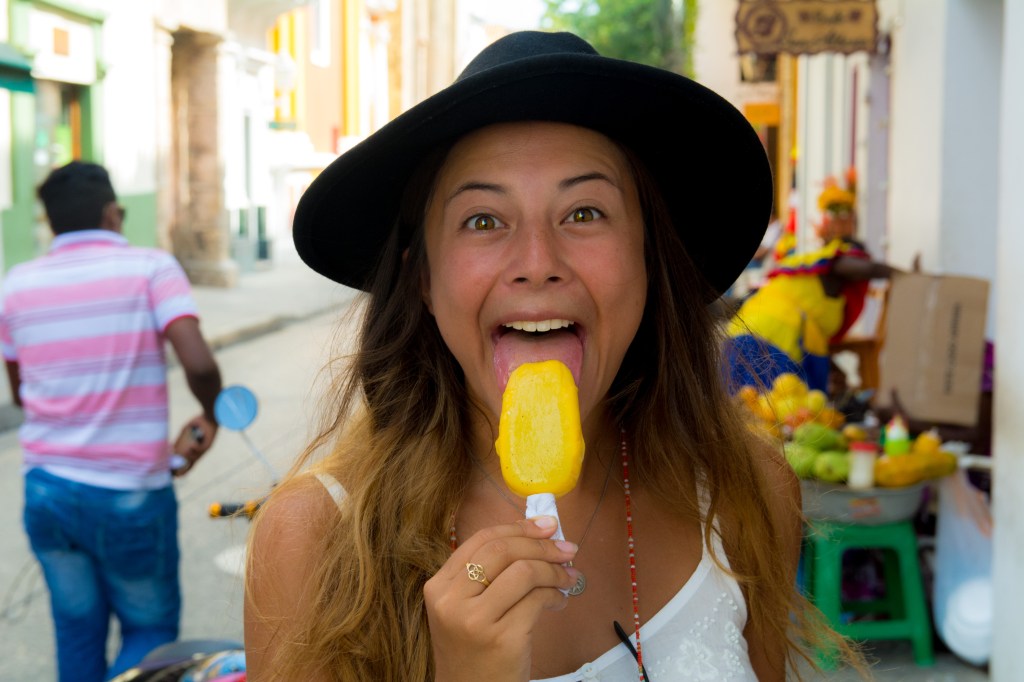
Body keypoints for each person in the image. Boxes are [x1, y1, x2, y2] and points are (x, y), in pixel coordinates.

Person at [244, 31, 862, 681]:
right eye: (483, 220)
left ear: (648, 262)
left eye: (585, 211)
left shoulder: (750, 491)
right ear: (422, 279)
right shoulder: (310, 537)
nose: (537, 264)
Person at [0, 161, 222, 682]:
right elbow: (200, 364)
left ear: (52, 224)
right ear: (112, 213)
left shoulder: (17, 283)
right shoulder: (151, 268)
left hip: (47, 491)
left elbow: (21, 391)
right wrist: (210, 414)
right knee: (149, 634)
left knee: (77, 630)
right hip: (130, 495)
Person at [726, 174, 898, 394]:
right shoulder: (834, 262)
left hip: (747, 324)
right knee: (773, 413)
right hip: (777, 338)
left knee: (741, 408)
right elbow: (870, 269)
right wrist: (906, 276)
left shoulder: (813, 264)